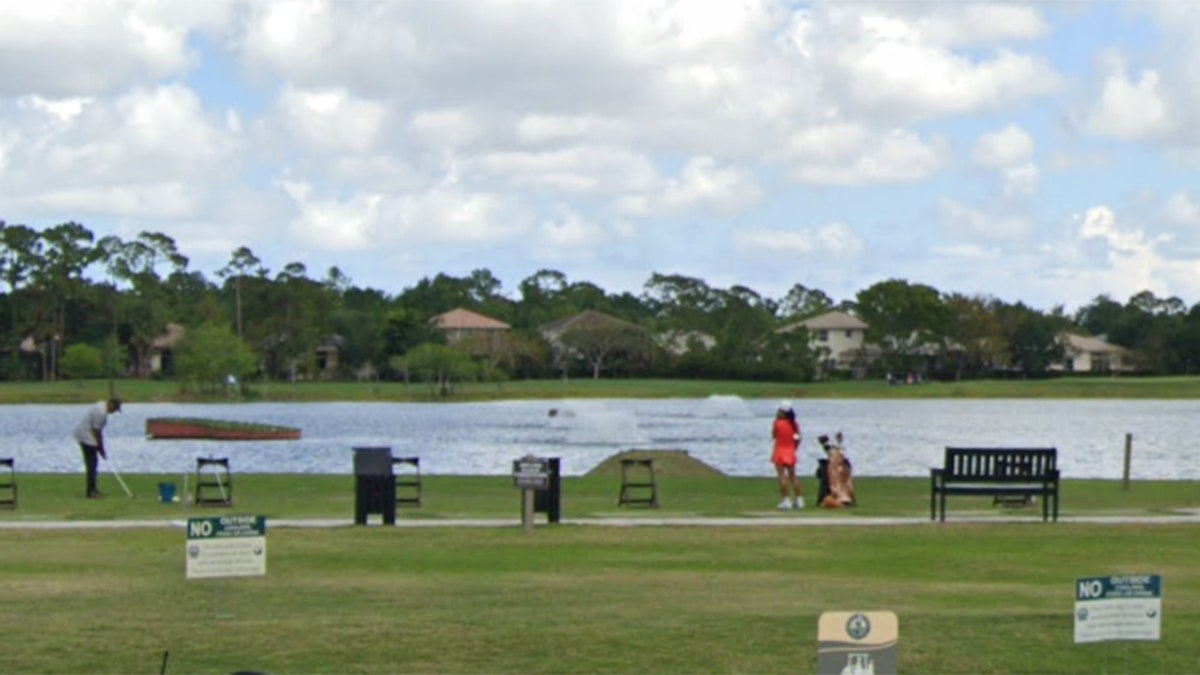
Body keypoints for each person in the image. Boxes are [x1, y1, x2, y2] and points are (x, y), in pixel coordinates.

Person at [72, 397, 121, 498]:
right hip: (85, 436)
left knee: (93, 464)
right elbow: (97, 432)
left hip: (87, 435)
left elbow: (97, 432)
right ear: (111, 404)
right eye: (115, 409)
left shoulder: (101, 406)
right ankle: (91, 492)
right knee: (92, 464)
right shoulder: (101, 413)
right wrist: (101, 448)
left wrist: (100, 448)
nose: (114, 412)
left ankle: (93, 489)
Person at [770, 401, 803, 509]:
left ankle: (786, 500)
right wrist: (794, 448)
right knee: (793, 476)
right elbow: (798, 438)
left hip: (780, 451)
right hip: (790, 451)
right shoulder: (794, 424)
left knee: (782, 476)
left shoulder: (777, 423)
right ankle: (799, 499)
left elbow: (774, 435)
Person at [818, 431, 856, 508]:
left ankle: (840, 500)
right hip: (846, 496)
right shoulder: (844, 465)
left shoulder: (834, 466)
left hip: (840, 497)